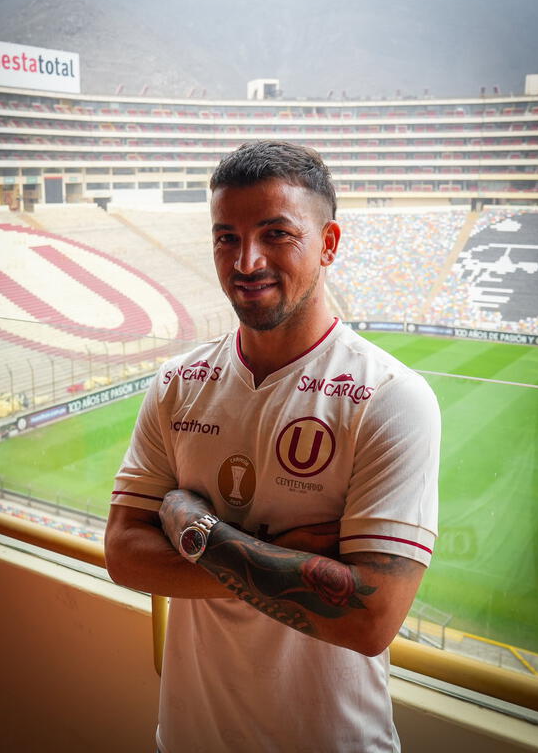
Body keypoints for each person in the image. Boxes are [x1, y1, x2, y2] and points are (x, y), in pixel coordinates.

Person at [105, 140, 441, 752]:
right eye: (225, 237)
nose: (246, 260)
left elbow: (370, 618)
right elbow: (124, 553)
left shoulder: (390, 397)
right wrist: (282, 563)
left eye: (276, 233)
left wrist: (192, 527)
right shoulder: (179, 383)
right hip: (188, 739)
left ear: (329, 244)